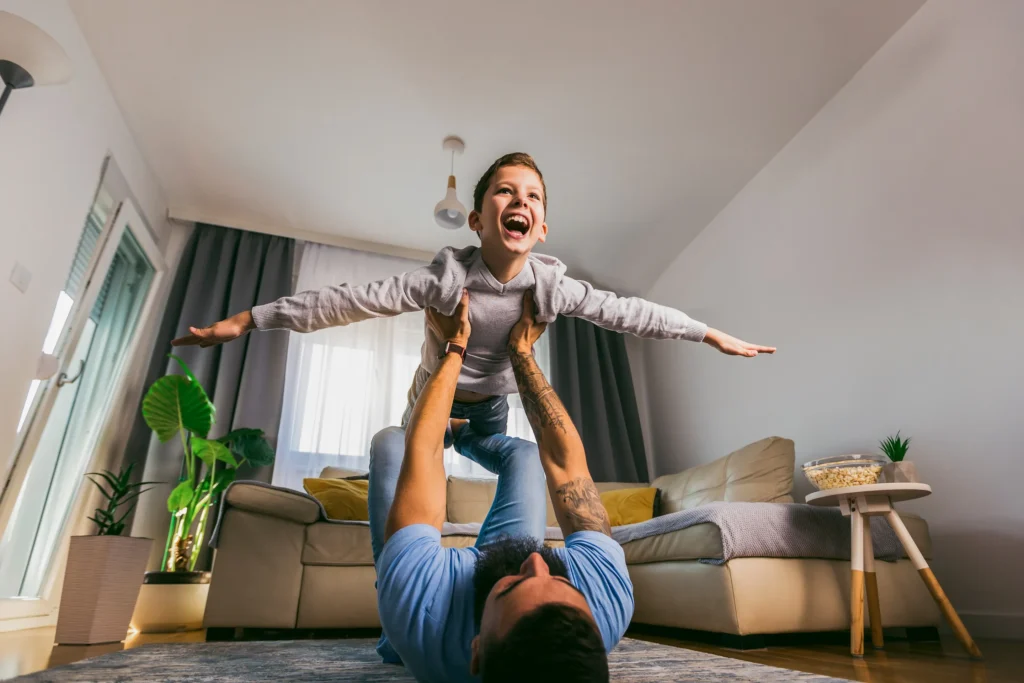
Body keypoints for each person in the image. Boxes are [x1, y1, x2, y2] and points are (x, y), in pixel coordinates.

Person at [171, 153, 775, 449]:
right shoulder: (443, 280)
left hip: (491, 410)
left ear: (541, 228)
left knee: (518, 464)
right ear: (479, 219)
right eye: (505, 192)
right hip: (433, 393)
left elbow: (631, 313)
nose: (521, 201)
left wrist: (707, 333)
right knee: (405, 462)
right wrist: (246, 320)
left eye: (533, 197)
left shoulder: (551, 287)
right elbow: (345, 301)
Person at [371, 288, 632, 682]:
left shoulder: (421, 615)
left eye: (515, 586)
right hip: (494, 577)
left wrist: (455, 347)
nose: (538, 561)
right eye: (561, 581)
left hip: (432, 600)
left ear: (476, 651)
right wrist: (521, 353)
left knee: (392, 441)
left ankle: (389, 640)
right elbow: (566, 464)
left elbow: (423, 454)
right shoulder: (605, 598)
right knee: (527, 456)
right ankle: (463, 435)